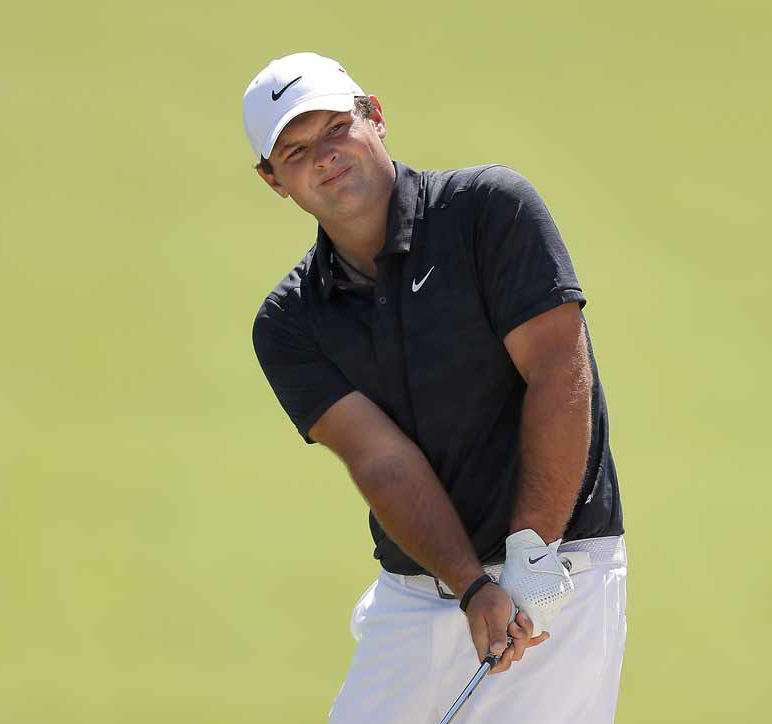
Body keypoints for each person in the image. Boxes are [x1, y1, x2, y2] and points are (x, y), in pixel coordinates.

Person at [242, 52, 627, 723]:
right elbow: (381, 460)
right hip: (420, 592)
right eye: (298, 152)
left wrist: (528, 559)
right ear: (273, 180)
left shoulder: (489, 212)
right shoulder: (289, 322)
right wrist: (474, 587)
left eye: (336, 128)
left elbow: (559, 374)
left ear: (376, 117)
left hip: (560, 567)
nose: (326, 156)